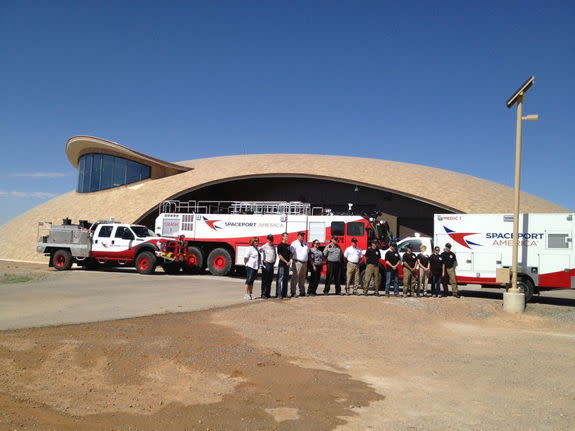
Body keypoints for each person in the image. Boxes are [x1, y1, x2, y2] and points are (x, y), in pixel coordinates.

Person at [290, 231, 309, 297]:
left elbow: (307, 252)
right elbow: (291, 253)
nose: (302, 237)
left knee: (302, 278)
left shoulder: (305, 243)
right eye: (301, 235)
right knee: (295, 278)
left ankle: (302, 292)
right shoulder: (294, 243)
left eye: (303, 235)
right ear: (298, 236)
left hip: (304, 263)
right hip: (297, 262)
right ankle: (293, 292)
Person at [259, 234, 276, 299]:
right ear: (267, 239)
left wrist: (274, 261)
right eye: (269, 239)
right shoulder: (264, 246)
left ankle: (268, 293)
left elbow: (274, 254)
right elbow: (259, 254)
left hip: (271, 264)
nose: (270, 240)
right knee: (265, 280)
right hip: (266, 265)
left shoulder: (273, 246)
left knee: (270, 280)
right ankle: (263, 294)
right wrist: (263, 260)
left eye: (271, 239)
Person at [276, 232, 291, 298]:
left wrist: (289, 261)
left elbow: (290, 255)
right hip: (282, 264)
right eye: (285, 236)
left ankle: (284, 293)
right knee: (280, 279)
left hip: (287, 265)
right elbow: (280, 255)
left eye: (287, 236)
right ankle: (279, 294)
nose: (286, 237)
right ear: (282, 237)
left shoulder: (288, 246)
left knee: (286, 279)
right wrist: (286, 262)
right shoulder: (280, 245)